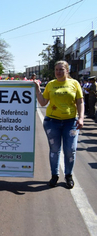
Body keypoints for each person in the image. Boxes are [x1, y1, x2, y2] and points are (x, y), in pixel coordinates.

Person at [34, 60, 84, 189]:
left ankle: (68, 175)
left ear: (67, 71)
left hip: (71, 122)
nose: (58, 72)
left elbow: (80, 102)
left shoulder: (74, 83)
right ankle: (54, 176)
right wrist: (38, 90)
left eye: (61, 69)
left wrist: (81, 118)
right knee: (54, 150)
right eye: (56, 69)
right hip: (52, 122)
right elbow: (43, 102)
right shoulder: (51, 84)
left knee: (70, 150)